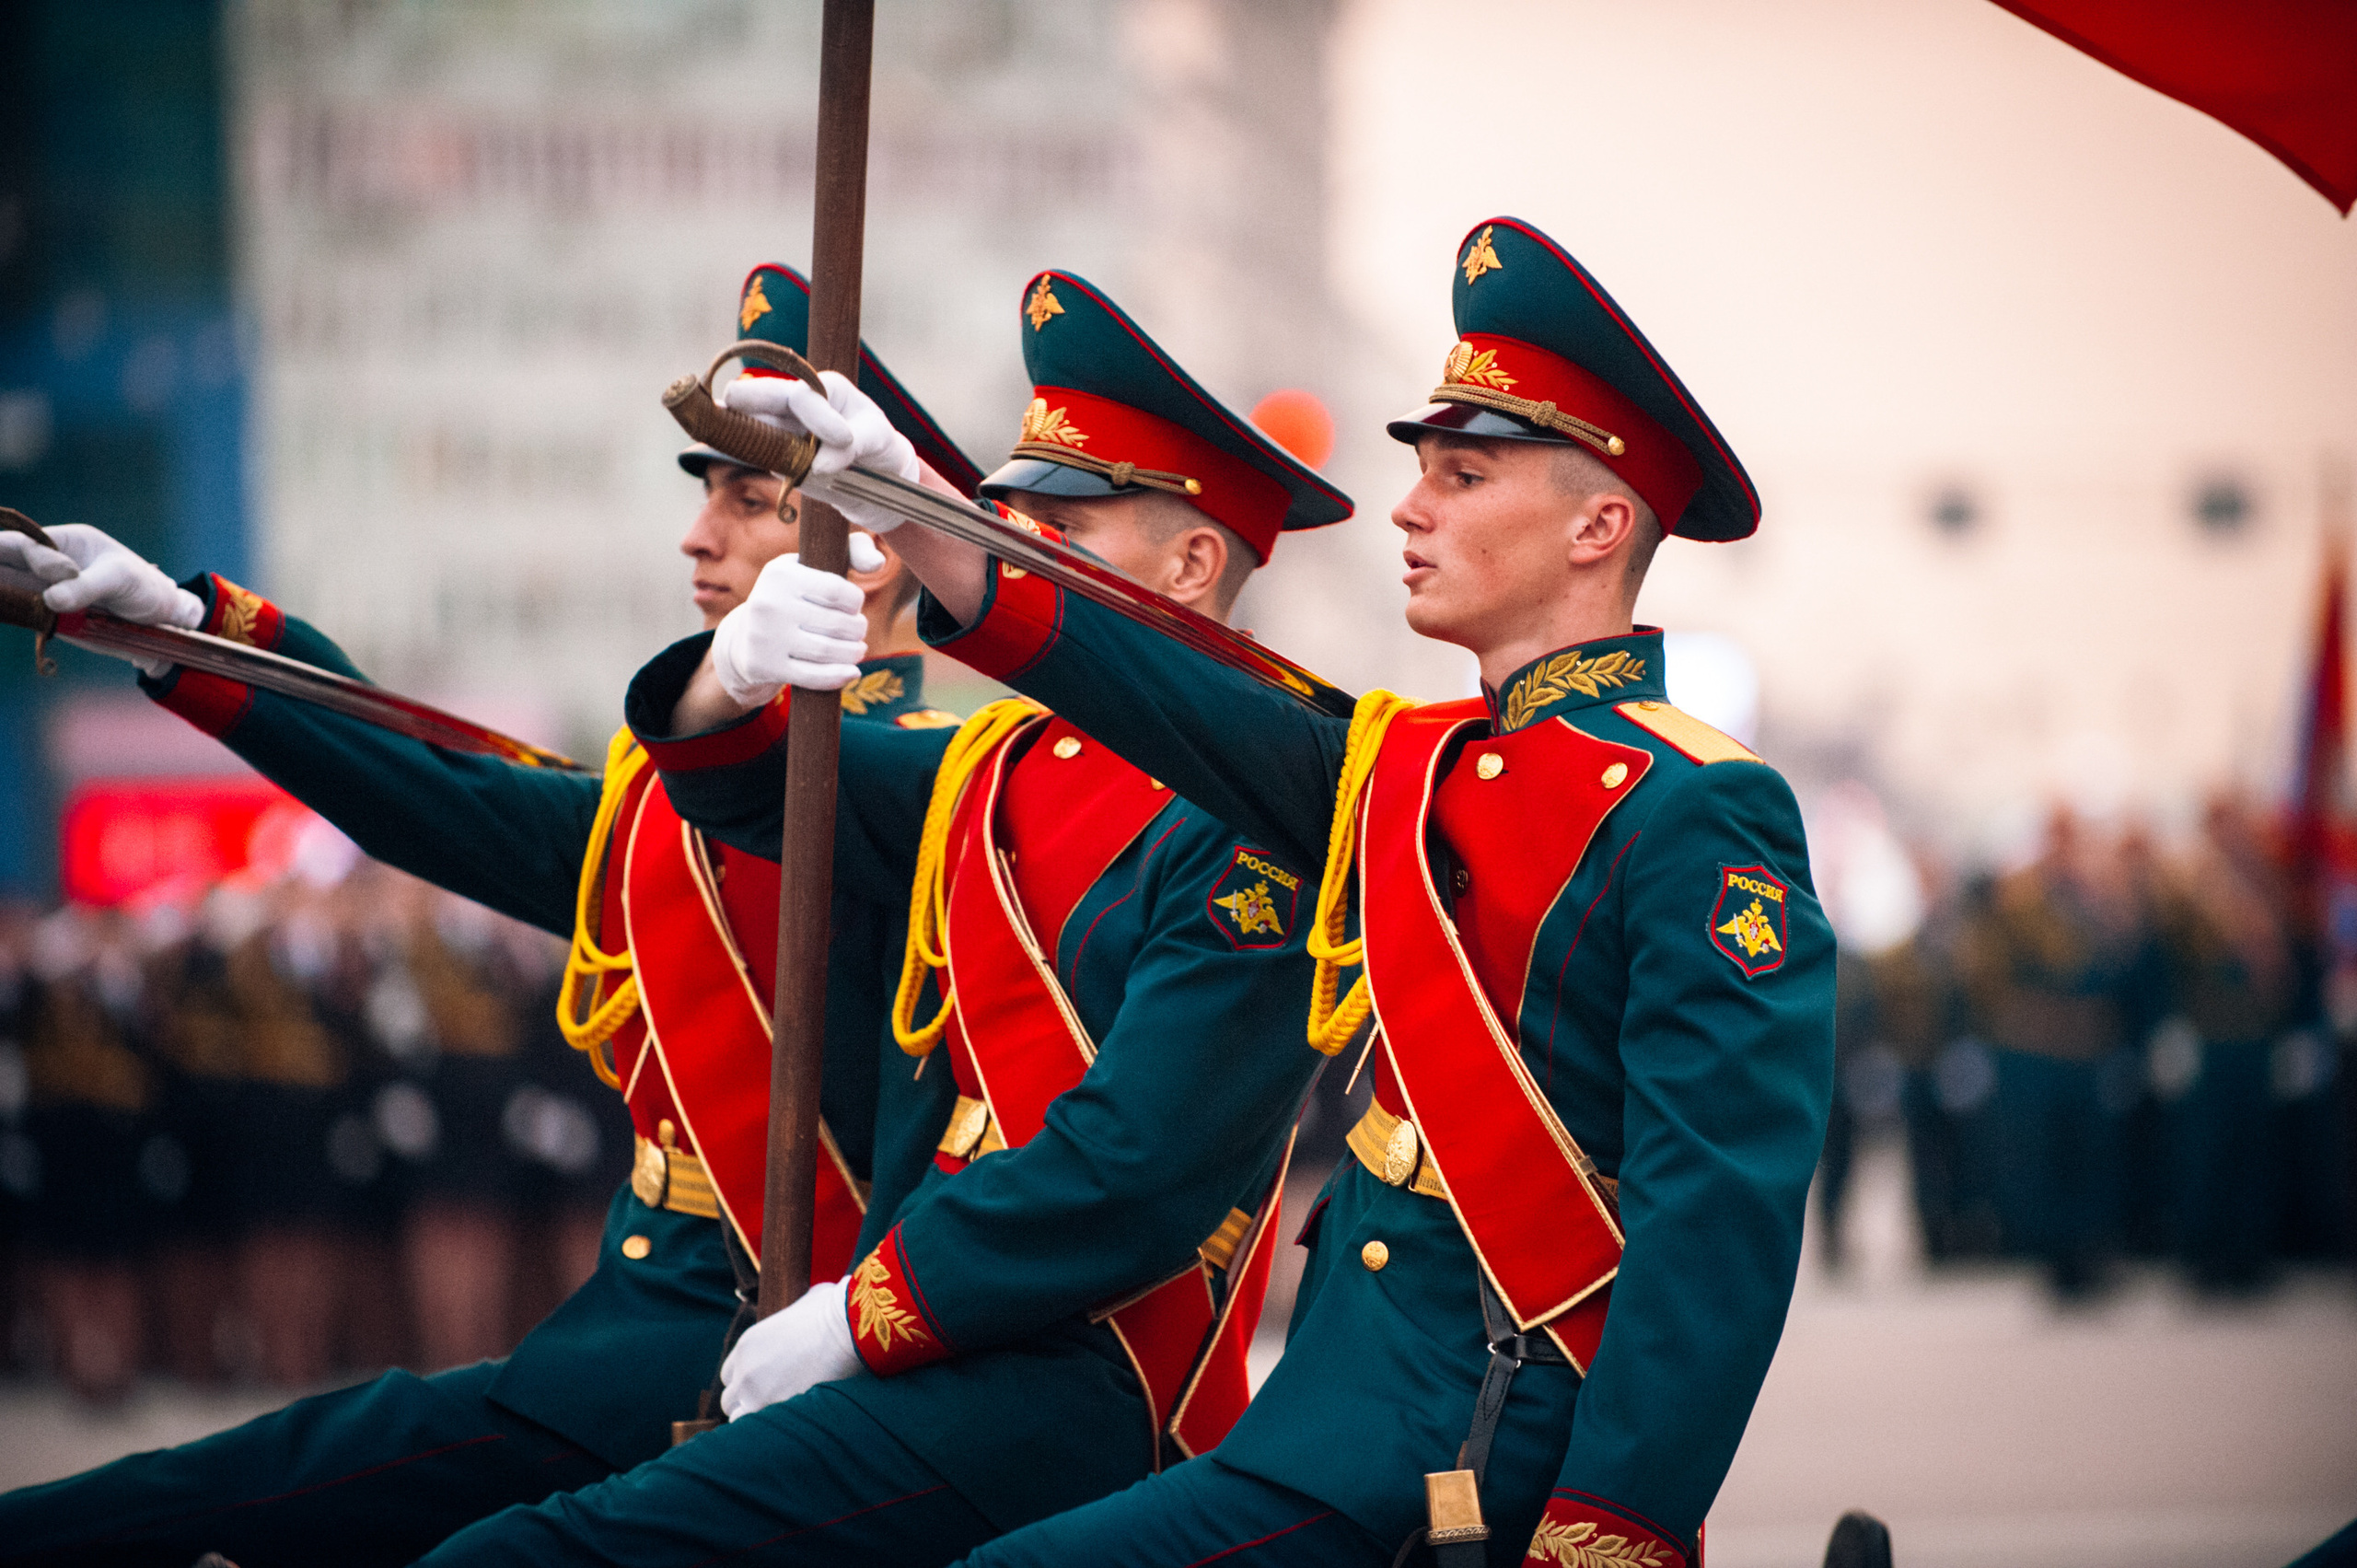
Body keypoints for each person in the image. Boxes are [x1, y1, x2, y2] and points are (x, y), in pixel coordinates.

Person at [739, 221, 1838, 1566]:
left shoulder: (1697, 808)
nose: (1412, 508)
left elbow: (1716, 1224)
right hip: (1333, 1418)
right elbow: (1173, 689)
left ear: (1599, 526)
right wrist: (922, 511)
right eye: (1422, 470)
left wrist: (1614, 1532)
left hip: (1479, 1452)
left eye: (1464, 474)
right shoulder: (1403, 764)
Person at [0, 263, 977, 1567]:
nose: (698, 538)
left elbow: (816, 814)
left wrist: (720, 710)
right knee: (226, 1489)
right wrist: (185, 634)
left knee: (243, 1502)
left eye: (754, 502)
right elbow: (444, 790)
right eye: (707, 500)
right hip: (647, 1328)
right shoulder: (670, 796)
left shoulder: (936, 785)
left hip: (751, 1345)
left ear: (864, 555)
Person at [388, 270, 1339, 1567]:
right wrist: (731, 677)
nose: (1021, 554)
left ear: (1188, 560)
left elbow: (1132, 1170)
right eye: (1012, 521)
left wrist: (862, 1316)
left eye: (1071, 526)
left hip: (1081, 1362)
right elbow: (755, 792)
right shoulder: (991, 766)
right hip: (930, 1337)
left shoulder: (1259, 823)